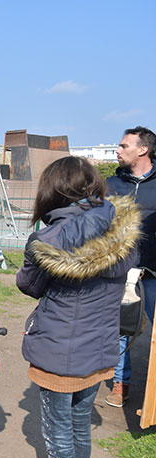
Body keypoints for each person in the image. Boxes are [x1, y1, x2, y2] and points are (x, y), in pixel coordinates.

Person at [16, 156, 139, 458]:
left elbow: (28, 285)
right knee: (79, 428)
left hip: (58, 350)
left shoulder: (48, 239)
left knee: (58, 434)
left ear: (53, 191)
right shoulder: (123, 231)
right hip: (100, 346)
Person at [105, 126, 156, 407]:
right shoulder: (113, 184)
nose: (118, 150)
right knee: (121, 329)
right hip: (120, 272)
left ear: (143, 149)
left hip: (153, 272)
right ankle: (120, 383)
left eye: (124, 146)